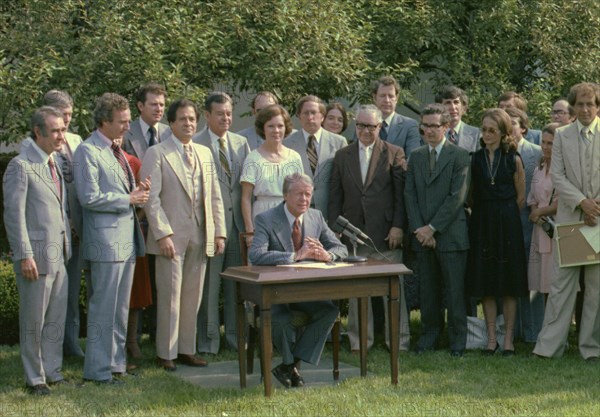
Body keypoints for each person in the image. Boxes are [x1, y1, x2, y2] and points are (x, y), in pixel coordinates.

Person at [141, 99, 226, 370]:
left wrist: (219, 232)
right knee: (170, 296)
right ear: (172, 123)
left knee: (193, 295)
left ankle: (187, 349)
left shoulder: (203, 153)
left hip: (200, 235)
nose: (188, 124)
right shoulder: (157, 153)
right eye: (182, 120)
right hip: (171, 237)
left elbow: (215, 195)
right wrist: (163, 234)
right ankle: (166, 353)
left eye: (192, 119)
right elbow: (150, 200)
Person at [74, 93, 150, 384]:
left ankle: (116, 365)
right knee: (103, 307)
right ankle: (97, 370)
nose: (127, 127)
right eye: (122, 122)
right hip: (105, 244)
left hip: (126, 239)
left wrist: (138, 191)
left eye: (129, 121)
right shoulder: (87, 151)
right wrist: (128, 198)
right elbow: (88, 196)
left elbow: (122, 193)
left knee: (119, 308)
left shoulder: (116, 150)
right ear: (104, 121)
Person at [249, 173, 347, 388]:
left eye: (308, 194)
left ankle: (288, 365)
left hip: (304, 292)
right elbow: (256, 255)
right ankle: (289, 366)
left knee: (329, 310)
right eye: (299, 194)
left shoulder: (316, 217)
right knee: (281, 319)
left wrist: (328, 255)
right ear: (285, 195)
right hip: (273, 294)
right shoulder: (266, 219)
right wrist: (295, 256)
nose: (304, 199)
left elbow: (341, 248)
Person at [328, 104, 410, 352]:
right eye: (361, 125)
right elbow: (335, 195)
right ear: (356, 126)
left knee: (393, 291)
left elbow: (401, 196)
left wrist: (398, 226)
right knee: (357, 294)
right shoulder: (343, 155)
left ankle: (399, 340)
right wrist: (335, 228)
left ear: (379, 127)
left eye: (371, 126)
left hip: (386, 234)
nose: (365, 130)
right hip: (353, 235)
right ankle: (360, 341)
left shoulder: (394, 153)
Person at [4, 107, 71, 395]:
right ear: (38, 132)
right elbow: (13, 214)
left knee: (55, 319)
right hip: (36, 258)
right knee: (33, 321)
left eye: (62, 129)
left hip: (59, 255)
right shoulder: (20, 166)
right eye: (54, 130)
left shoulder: (54, 162)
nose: (61, 135)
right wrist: (24, 255)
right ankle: (34, 378)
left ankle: (53, 372)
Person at [534, 82, 600, 360]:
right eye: (580, 104)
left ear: (598, 106)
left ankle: (591, 348)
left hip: (598, 219)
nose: (585, 109)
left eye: (590, 104)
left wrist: (594, 207)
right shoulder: (561, 135)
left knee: (596, 288)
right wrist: (581, 202)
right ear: (573, 107)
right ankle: (550, 347)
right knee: (562, 286)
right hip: (571, 219)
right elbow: (558, 176)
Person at [405, 104, 471, 357]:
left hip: (450, 235)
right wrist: (420, 230)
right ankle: (429, 336)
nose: (429, 130)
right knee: (428, 291)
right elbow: (410, 195)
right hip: (422, 235)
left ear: (446, 127)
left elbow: (457, 197)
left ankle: (457, 341)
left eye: (435, 126)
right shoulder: (417, 155)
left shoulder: (460, 155)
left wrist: (433, 228)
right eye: (425, 125)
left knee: (454, 292)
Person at [192, 92, 250, 354]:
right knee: (210, 288)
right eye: (220, 113)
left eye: (228, 113)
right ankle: (208, 342)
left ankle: (237, 341)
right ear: (206, 115)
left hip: (237, 226)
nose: (226, 118)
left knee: (236, 288)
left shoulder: (241, 143)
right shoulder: (195, 143)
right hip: (210, 227)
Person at [468, 108, 527, 356]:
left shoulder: (513, 158)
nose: (487, 134)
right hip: (483, 223)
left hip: (508, 224)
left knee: (509, 283)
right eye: (484, 130)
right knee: (487, 282)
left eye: (492, 130)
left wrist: (505, 215)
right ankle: (491, 337)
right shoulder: (476, 158)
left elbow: (521, 196)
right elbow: (471, 195)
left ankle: (508, 339)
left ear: (503, 132)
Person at [39, 90, 85, 359]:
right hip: (52, 229)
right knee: (50, 293)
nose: (67, 121)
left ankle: (71, 344)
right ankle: (48, 348)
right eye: (63, 115)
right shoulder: (40, 145)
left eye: (70, 115)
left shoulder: (77, 140)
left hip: (77, 229)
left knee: (71, 290)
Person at [505, 107, 543, 343]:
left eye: (513, 123)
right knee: (510, 280)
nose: (509, 128)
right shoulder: (497, 152)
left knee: (533, 281)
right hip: (505, 226)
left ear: (524, 128)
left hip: (531, 224)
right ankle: (512, 331)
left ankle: (534, 332)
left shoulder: (537, 153)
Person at [114, 138, 153, 363]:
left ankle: (131, 340)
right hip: (107, 234)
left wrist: (134, 220)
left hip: (133, 233)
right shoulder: (93, 158)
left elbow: (144, 200)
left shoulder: (133, 162)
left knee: (136, 291)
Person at [240, 104, 303, 241]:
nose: (276, 130)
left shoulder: (295, 157)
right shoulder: (253, 158)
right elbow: (245, 198)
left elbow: (301, 193)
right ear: (263, 128)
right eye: (271, 126)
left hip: (289, 215)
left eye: (280, 126)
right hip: (262, 215)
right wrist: (249, 231)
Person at [284, 96, 347, 220]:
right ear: (299, 116)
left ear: (322, 116)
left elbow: (345, 182)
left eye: (313, 113)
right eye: (305, 113)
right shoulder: (287, 143)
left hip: (328, 211)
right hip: (297, 212)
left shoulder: (339, 142)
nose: (310, 117)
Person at [527, 123, 559, 298]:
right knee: (543, 282)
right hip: (540, 229)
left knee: (556, 281)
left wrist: (539, 213)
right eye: (544, 142)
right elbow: (532, 198)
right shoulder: (539, 168)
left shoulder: (563, 170)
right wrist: (535, 214)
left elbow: (560, 203)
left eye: (551, 143)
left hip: (555, 229)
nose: (546, 147)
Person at [371, 75, 421, 158]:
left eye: (391, 96)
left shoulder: (410, 125)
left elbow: (412, 160)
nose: (387, 100)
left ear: (397, 98)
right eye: (382, 95)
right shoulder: (363, 124)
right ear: (374, 97)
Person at [123, 83, 171, 160]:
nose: (159, 109)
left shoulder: (171, 133)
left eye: (161, 105)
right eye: (153, 104)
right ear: (140, 106)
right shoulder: (125, 133)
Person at [434, 85, 480, 153]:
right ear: (439, 108)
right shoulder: (432, 133)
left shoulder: (476, 134)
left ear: (463, 108)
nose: (453, 107)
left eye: (456, 102)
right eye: (448, 103)